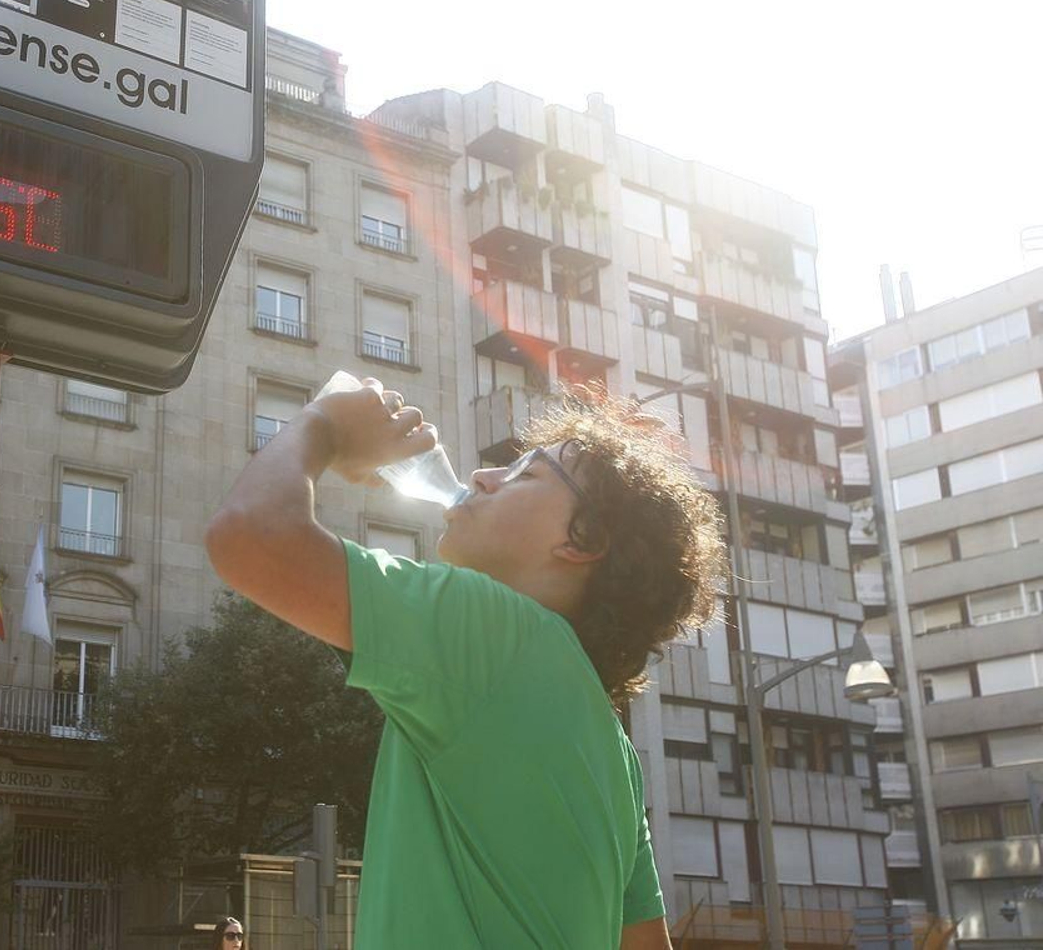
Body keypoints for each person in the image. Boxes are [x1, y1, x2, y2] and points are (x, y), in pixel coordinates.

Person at [204, 380, 726, 949]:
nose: (481, 476)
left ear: (583, 538)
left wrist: (326, 423)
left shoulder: (499, 634)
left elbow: (249, 534)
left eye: (524, 474)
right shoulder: (616, 753)